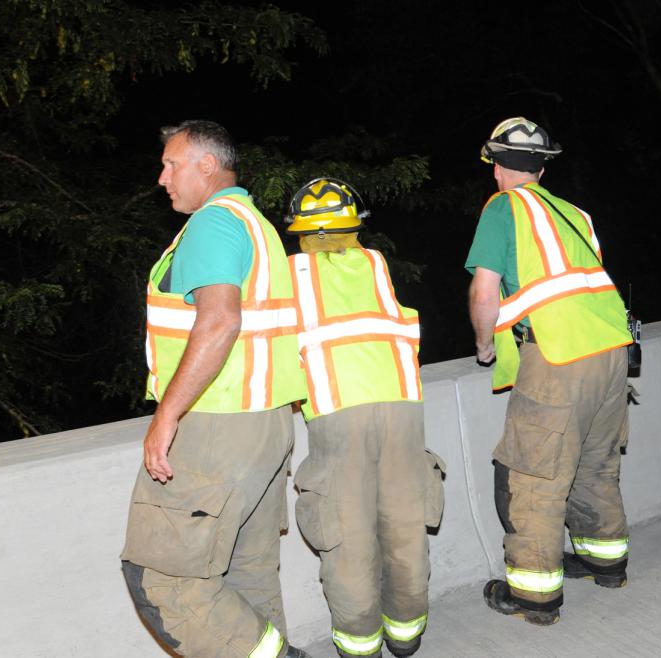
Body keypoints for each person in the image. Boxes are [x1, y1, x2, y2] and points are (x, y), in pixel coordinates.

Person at [120, 120, 310, 658]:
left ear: (207, 165)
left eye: (170, 164)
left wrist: (167, 416)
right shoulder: (257, 224)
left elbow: (220, 321)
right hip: (266, 423)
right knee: (246, 572)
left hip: (217, 425)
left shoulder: (213, 224)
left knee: (164, 579)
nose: (162, 178)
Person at [465, 117, 634, 626]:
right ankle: (606, 563)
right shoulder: (575, 214)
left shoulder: (503, 207)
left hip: (559, 358)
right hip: (611, 353)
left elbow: (485, 291)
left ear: (495, 165)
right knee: (595, 463)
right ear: (543, 165)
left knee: (535, 476)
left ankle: (535, 598)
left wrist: (483, 346)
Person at [285, 179, 445, 658]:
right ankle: (406, 635)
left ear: (301, 232)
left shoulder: (291, 275)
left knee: (348, 536)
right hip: (403, 407)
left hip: (338, 413)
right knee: (404, 523)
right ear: (356, 227)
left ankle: (360, 646)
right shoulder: (376, 266)